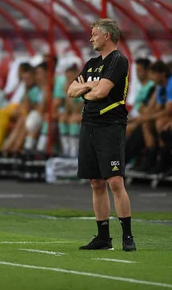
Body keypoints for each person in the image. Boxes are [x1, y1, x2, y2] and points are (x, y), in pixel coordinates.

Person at [66, 18, 135, 252]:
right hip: (89, 125)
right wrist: (87, 88)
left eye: (94, 33)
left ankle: (127, 236)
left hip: (110, 125)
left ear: (107, 36)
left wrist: (85, 88)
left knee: (115, 181)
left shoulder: (119, 61)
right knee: (96, 183)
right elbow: (70, 90)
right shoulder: (92, 63)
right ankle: (103, 237)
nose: (90, 38)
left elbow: (101, 93)